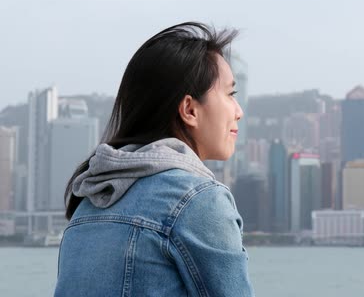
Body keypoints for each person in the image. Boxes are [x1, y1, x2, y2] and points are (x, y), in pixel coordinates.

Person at [54, 22, 254, 296]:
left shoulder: (89, 202)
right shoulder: (198, 201)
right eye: (231, 94)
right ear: (189, 110)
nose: (238, 111)